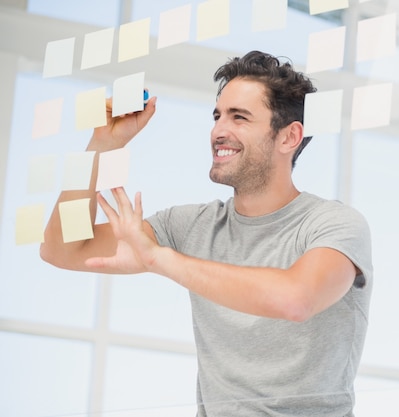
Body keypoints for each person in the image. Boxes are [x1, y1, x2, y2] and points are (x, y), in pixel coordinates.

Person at [40, 50, 373, 417]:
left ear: (288, 137)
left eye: (239, 117)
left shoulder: (334, 224)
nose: (219, 130)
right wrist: (101, 147)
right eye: (217, 116)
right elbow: (62, 250)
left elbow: (296, 300)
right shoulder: (191, 227)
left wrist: (161, 259)